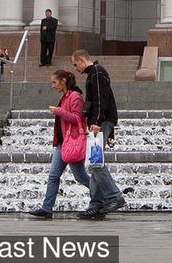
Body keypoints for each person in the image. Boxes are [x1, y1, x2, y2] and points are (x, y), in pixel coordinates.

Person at [72, 50, 126, 217]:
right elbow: (105, 100)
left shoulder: (96, 72)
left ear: (82, 60)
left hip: (100, 122)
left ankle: (114, 196)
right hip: (102, 122)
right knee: (94, 162)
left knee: (95, 163)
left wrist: (96, 122)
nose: (76, 68)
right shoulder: (95, 73)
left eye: (76, 64)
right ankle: (96, 204)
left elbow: (100, 99)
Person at [29, 70, 90, 218]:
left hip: (72, 143)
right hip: (63, 143)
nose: (52, 86)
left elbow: (77, 119)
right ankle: (47, 208)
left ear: (63, 81)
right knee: (54, 175)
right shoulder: (65, 96)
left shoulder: (75, 96)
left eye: (54, 82)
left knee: (80, 177)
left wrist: (59, 111)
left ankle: (105, 195)